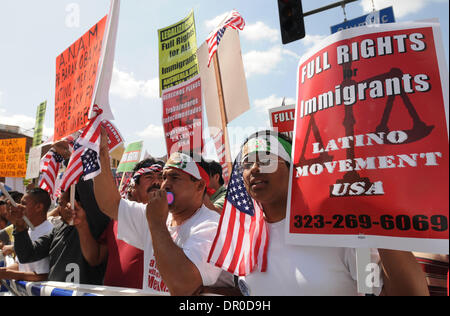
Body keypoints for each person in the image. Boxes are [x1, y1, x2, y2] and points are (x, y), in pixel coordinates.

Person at [209, 130, 430, 296]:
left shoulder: (339, 230)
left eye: (265, 159)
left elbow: (387, 290)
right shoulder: (243, 235)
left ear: (294, 169)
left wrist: (378, 217)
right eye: (246, 164)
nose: (254, 169)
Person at [93, 128, 234, 295]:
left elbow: (182, 286)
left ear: (200, 186)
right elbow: (109, 205)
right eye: (164, 177)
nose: (165, 184)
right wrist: (100, 154)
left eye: (175, 178)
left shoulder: (212, 226)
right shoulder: (156, 214)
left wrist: (156, 224)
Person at [74, 158, 163, 289]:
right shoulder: (116, 219)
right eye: (149, 177)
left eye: (161, 177)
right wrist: (81, 225)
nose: (156, 182)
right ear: (134, 187)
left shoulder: (172, 221)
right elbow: (95, 257)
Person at [11, 179, 110, 285]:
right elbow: (27, 255)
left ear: (74, 204)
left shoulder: (95, 225)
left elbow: (87, 192)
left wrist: (72, 166)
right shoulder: (57, 229)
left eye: (61, 204)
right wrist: (20, 228)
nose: (58, 208)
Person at [0, 188, 54, 282]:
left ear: (39, 207)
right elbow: (20, 264)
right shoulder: (25, 230)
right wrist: (4, 271)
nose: (19, 206)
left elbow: (44, 276)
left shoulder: (50, 232)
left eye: (24, 204)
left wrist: (8, 274)